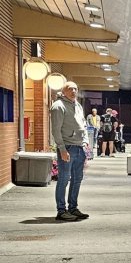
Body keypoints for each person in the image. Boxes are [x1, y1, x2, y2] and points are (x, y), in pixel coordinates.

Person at [49, 81, 90, 221]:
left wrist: (85, 142)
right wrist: (62, 149)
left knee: (77, 179)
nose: (73, 91)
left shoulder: (77, 105)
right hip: (67, 147)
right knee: (64, 179)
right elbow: (56, 130)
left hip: (79, 147)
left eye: (75, 88)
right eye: (70, 89)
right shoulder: (58, 106)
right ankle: (61, 211)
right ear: (64, 91)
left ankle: (73, 208)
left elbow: (83, 125)